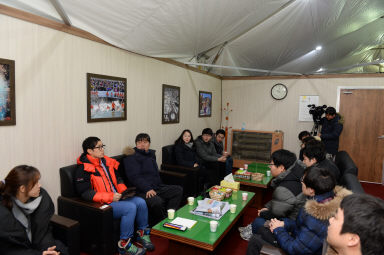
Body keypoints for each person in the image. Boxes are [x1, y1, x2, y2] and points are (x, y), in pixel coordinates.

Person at [246, 166, 351, 255]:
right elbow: (302, 226)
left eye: (303, 181)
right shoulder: (326, 198)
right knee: (262, 229)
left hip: (298, 248)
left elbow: (296, 249)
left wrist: (278, 230)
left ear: (311, 190)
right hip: (300, 238)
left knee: (255, 240)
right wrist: (284, 223)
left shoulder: (317, 215)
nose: (301, 182)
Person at [75, 137, 153, 255]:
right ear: (89, 151)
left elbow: (118, 179)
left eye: (103, 146)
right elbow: (85, 192)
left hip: (117, 197)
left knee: (141, 202)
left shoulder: (107, 162)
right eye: (98, 147)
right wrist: (111, 197)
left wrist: (124, 193)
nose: (102, 150)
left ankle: (142, 235)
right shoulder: (83, 168)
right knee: (130, 207)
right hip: (104, 203)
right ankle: (124, 245)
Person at [0, 165, 68, 255]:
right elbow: (9, 248)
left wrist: (48, 248)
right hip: (20, 251)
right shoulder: (3, 211)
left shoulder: (42, 197)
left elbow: (43, 231)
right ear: (22, 189)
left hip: (38, 245)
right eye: (36, 183)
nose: (40, 185)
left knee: (60, 250)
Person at [239, 149, 305, 241]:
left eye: (271, 164)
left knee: (258, 221)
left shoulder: (284, 189)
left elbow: (277, 213)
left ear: (282, 168)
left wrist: (263, 212)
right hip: (295, 215)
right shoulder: (297, 173)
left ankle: (253, 235)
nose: (270, 167)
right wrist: (267, 207)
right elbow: (283, 202)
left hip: (292, 224)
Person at [123, 133, 183, 226]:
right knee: (157, 201)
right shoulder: (131, 157)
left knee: (178, 190)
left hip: (156, 187)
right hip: (141, 190)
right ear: (136, 144)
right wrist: (147, 188)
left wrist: (159, 186)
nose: (142, 145)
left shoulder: (151, 155)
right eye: (139, 142)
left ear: (149, 144)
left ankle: (169, 216)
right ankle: (163, 223)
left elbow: (155, 174)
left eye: (145, 142)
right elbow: (134, 177)